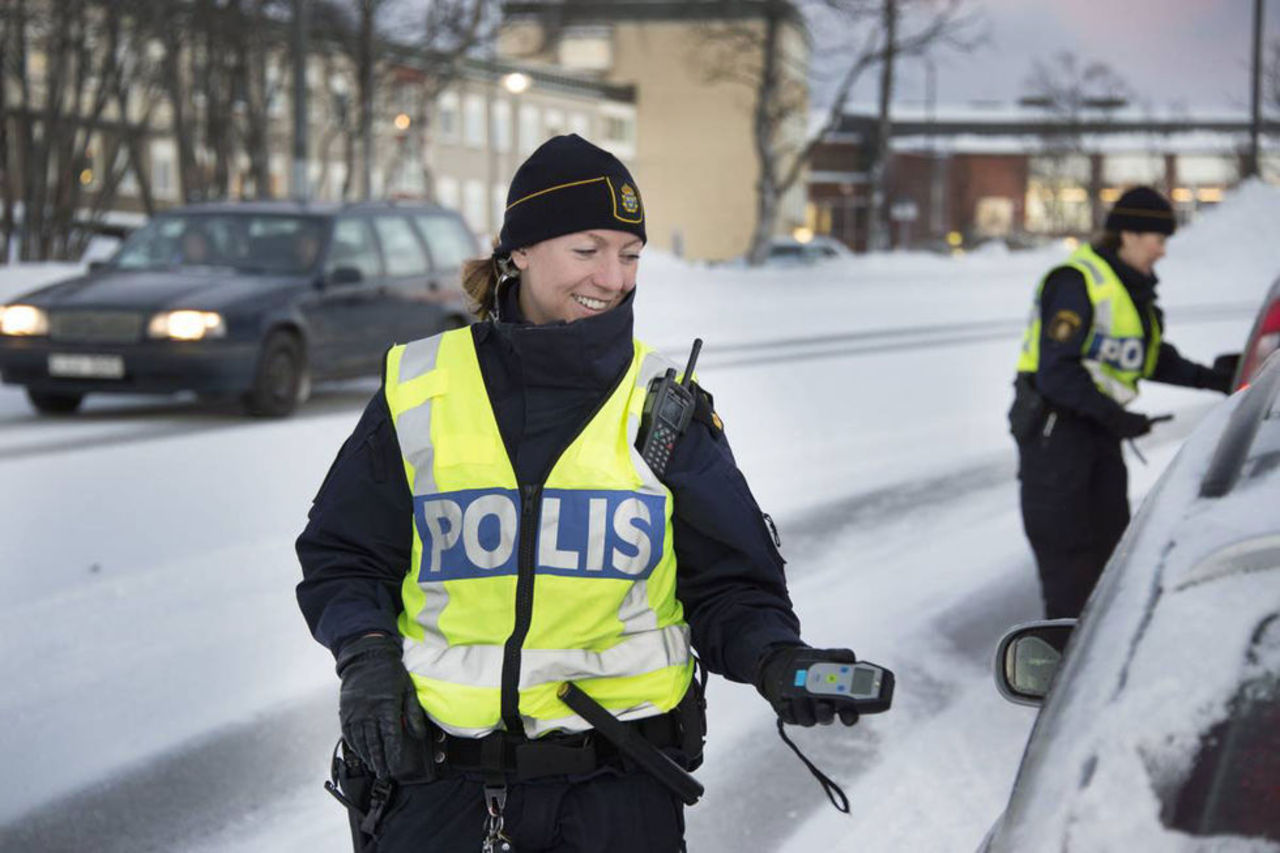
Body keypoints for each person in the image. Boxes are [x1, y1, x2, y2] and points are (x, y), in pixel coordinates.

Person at [296, 134, 863, 852]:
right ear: (521, 251)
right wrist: (367, 655)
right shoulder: (423, 388)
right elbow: (346, 553)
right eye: (588, 249)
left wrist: (776, 658)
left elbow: (730, 587)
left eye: (629, 254)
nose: (614, 277)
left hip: (615, 793)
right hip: (439, 787)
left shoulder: (664, 408)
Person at [1010, 185, 1233, 619]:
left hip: (1097, 433)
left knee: (1112, 556)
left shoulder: (1131, 289)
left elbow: (1147, 356)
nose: (1163, 251)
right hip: (1055, 439)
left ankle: (1101, 656)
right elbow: (1057, 372)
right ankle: (1062, 675)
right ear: (1129, 234)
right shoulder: (1078, 282)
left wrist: (1216, 379)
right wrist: (1116, 417)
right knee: (1071, 567)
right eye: (1159, 239)